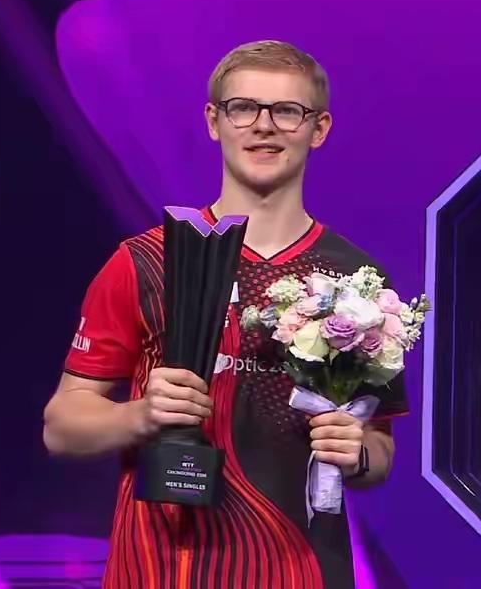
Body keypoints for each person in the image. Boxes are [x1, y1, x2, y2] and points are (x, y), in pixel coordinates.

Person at [43, 40, 408, 589]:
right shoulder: (145, 261)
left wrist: (356, 454)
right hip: (163, 571)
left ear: (319, 128)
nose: (264, 126)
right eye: (244, 108)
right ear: (215, 121)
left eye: (287, 111)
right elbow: (61, 427)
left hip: (304, 572)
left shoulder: (359, 280)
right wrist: (141, 415)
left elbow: (378, 449)